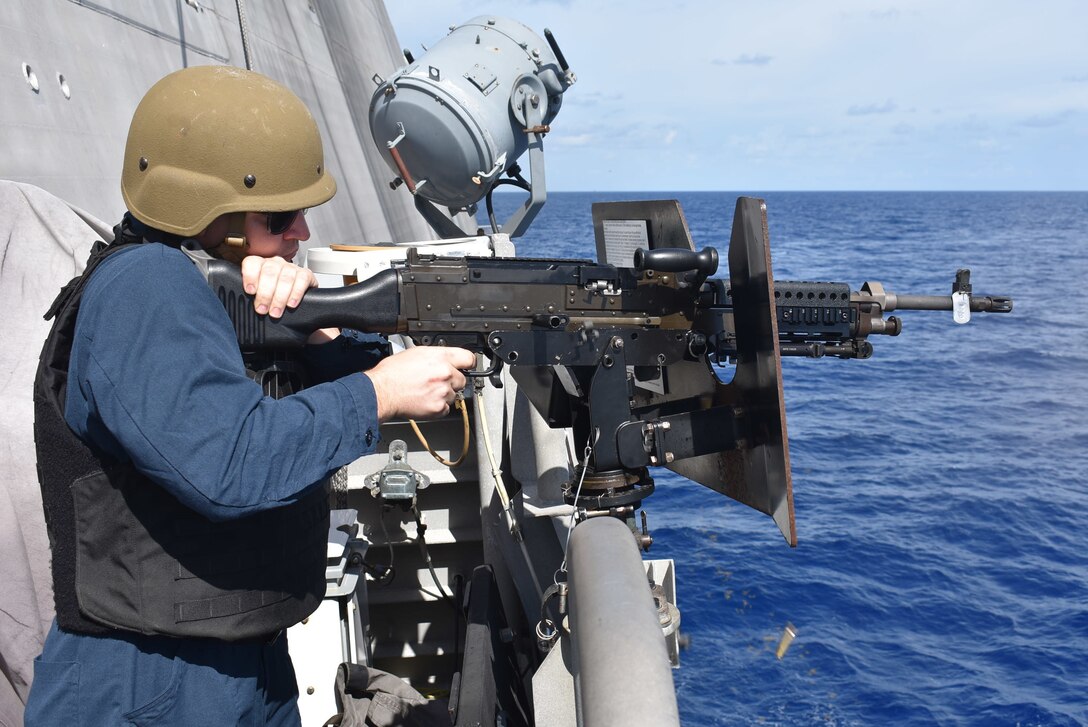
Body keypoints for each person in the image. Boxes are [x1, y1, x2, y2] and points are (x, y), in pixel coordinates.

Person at [24, 65, 473, 726]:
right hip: (148, 682)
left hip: (235, 664)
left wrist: (317, 337)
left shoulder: (197, 289)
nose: (302, 232)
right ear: (213, 215)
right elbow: (229, 463)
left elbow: (260, 404)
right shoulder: (145, 288)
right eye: (281, 215)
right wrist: (377, 394)